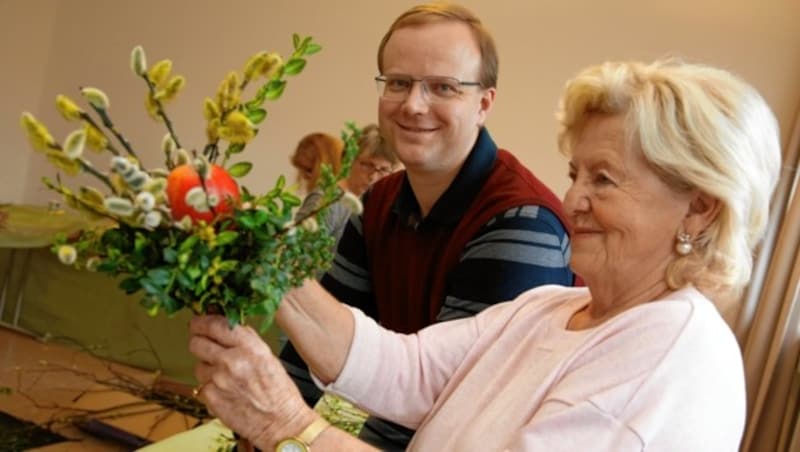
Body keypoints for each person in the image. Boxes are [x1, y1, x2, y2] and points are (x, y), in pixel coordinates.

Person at [189, 58, 781, 451]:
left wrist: (290, 426)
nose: (572, 198)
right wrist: (256, 254)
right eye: (576, 172)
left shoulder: (671, 356)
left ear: (700, 208)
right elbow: (404, 367)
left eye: (604, 179)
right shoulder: (549, 308)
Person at [281, 4, 574, 447]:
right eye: (398, 83)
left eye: (443, 87)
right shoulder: (377, 202)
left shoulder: (522, 222)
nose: (414, 105)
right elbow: (315, 340)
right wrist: (254, 430)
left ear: (484, 103)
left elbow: (441, 399)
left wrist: (284, 429)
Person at [295, 124, 400, 245]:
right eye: (366, 165)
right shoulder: (326, 200)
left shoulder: (386, 206)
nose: (373, 177)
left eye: (383, 170)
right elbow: (300, 253)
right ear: (349, 160)